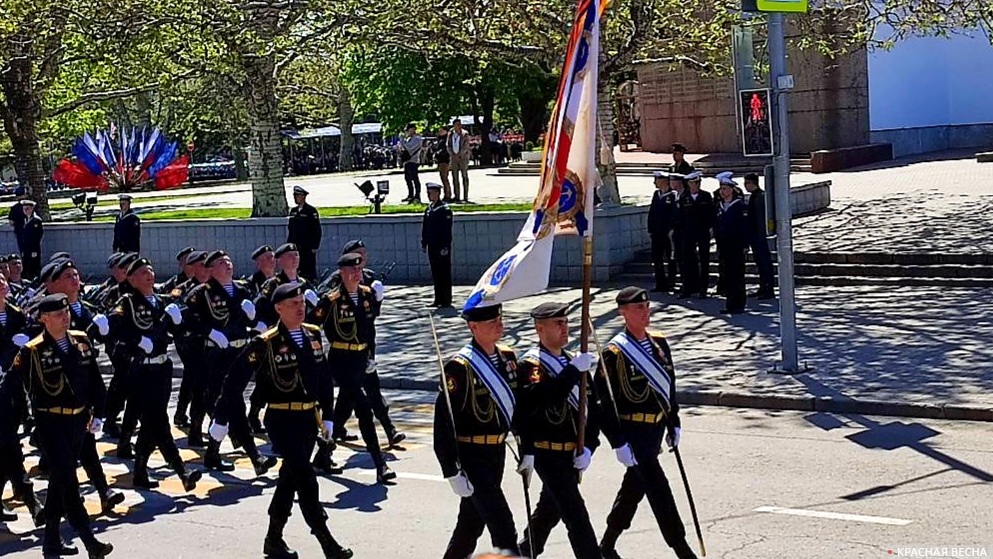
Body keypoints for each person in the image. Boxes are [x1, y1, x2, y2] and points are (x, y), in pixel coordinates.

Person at [211, 282, 354, 559]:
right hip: (281, 419)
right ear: (278, 308)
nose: (300, 308)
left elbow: (324, 379)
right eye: (293, 304)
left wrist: (329, 416)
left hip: (307, 420)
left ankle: (273, 540)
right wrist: (221, 418)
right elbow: (234, 380)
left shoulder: (313, 335)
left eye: (301, 303)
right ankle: (326, 541)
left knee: (289, 480)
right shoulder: (265, 342)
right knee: (306, 477)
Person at [0, 294, 114, 559]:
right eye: (59, 314)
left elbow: (95, 380)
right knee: (69, 483)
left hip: (78, 422)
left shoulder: (82, 341)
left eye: (66, 313)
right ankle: (90, 541)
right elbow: (11, 387)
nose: (66, 317)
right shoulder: (32, 350)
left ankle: (51, 542)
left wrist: (99, 412)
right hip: (50, 425)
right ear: (44, 319)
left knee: (58, 484)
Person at [595, 287, 698, 559]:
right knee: (657, 487)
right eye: (638, 308)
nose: (645, 312)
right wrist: (618, 442)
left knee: (634, 488)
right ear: (623, 313)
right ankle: (681, 548)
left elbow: (669, 383)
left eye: (646, 306)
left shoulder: (659, 343)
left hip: (655, 428)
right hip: (634, 431)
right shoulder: (614, 353)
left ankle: (607, 543)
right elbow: (602, 403)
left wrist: (673, 420)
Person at [434, 303, 524, 559]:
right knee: (503, 526)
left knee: (469, 527)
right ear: (473, 327)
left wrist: (526, 449)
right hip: (472, 454)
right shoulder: (460, 367)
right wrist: (451, 470)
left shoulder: (507, 358)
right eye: (490, 321)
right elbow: (444, 423)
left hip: (497, 452)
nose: (498, 324)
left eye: (499, 318)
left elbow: (518, 406)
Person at [106, 257, 202, 491]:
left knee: (153, 422)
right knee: (158, 420)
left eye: (150, 270)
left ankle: (140, 471)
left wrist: (178, 322)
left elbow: (177, 333)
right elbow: (114, 329)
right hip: (141, 369)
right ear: (131, 279)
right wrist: (138, 340)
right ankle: (182, 471)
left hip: (162, 368)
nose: (149, 274)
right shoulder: (127, 303)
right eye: (142, 272)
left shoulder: (162, 302)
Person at [516, 302, 601, 559]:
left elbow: (594, 408)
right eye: (558, 323)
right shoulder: (531, 366)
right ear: (540, 329)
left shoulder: (574, 362)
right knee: (576, 517)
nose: (565, 329)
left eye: (566, 322)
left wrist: (589, 446)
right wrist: (574, 371)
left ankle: (523, 553)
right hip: (546, 453)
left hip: (571, 454)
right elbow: (545, 398)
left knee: (548, 512)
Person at [308, 253, 396, 483]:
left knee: (341, 412)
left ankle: (322, 456)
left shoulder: (367, 296)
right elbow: (311, 325)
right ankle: (380, 464)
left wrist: (371, 356)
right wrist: (314, 354)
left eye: (359, 270)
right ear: (343, 273)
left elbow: (370, 330)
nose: (358, 274)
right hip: (341, 360)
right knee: (364, 409)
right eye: (353, 271)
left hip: (362, 359)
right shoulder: (332, 300)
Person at [187, 251, 276, 475]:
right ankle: (255, 457)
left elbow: (248, 321)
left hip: (241, 352)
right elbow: (189, 320)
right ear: (211, 270)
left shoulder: (242, 290)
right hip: (218, 356)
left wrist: (253, 317)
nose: (228, 265)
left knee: (231, 405)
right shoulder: (202, 293)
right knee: (233, 404)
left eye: (229, 261)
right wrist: (210, 333)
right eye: (221, 263)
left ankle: (213, 454)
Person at [320, 239, 401, 454]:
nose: (361, 261)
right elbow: (322, 307)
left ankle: (334, 432)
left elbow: (371, 312)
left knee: (353, 394)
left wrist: (379, 299)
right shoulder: (336, 282)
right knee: (365, 395)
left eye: (363, 255)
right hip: (343, 351)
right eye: (356, 256)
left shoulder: (370, 280)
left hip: (365, 343)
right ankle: (389, 430)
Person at [0, 273, 45, 529]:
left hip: (13, 393)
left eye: (2, 280)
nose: (2, 284)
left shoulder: (17, 314)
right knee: (10, 448)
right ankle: (31, 500)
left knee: (4, 449)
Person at [715, 175, 749, 314]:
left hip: (736, 246)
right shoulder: (720, 206)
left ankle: (739, 304)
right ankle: (730, 304)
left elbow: (746, 227)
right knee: (727, 275)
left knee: (737, 276)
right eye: (721, 189)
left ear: (732, 190)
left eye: (725, 189)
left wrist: (745, 245)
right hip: (724, 246)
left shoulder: (740, 206)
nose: (722, 192)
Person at [677, 171, 714, 299]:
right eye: (691, 183)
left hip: (703, 231)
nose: (694, 186)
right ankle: (688, 288)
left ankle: (703, 288)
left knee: (704, 260)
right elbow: (681, 217)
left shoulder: (706, 196)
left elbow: (711, 214)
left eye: (696, 183)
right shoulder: (684, 198)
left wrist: (711, 228)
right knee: (687, 261)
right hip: (688, 233)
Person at [743, 173, 775, 299]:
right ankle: (763, 288)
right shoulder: (754, 197)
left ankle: (769, 289)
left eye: (747, 183)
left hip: (759, 237)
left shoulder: (760, 197)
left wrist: (761, 236)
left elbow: (760, 219)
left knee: (765, 263)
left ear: (752, 183)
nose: (745, 186)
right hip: (754, 236)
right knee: (760, 263)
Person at [422, 183, 453, 308]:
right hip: (432, 246)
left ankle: (446, 299)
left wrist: (445, 246)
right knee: (435, 272)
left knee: (444, 272)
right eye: (428, 193)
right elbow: (425, 228)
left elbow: (447, 230)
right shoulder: (429, 209)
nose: (429, 196)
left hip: (442, 247)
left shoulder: (444, 209)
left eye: (431, 193)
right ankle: (438, 298)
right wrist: (424, 242)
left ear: (437, 193)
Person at [647, 171, 679, 293]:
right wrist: (650, 229)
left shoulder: (672, 195)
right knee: (657, 258)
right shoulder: (656, 194)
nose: (655, 182)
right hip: (656, 233)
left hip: (667, 233)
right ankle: (660, 283)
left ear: (663, 181)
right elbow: (652, 212)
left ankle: (671, 282)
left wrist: (672, 228)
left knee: (670, 258)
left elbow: (674, 214)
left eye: (657, 179)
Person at [287, 185, 322, 281]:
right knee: (297, 267)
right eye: (294, 196)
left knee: (309, 268)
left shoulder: (311, 211)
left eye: (297, 196)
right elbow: (291, 229)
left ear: (303, 196)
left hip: (307, 246)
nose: (295, 198)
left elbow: (316, 230)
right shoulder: (293, 211)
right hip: (296, 245)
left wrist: (315, 245)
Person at [398, 123, 424, 203]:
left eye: (408, 130)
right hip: (407, 161)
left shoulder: (417, 139)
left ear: (412, 129)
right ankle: (410, 195)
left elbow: (409, 148)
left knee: (415, 179)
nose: (407, 132)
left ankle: (417, 196)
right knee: (408, 179)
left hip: (413, 161)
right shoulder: (409, 139)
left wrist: (402, 141)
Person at [448, 118, 471, 202]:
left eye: (460, 124)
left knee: (464, 176)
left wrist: (459, 154)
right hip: (454, 158)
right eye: (457, 125)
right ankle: (457, 195)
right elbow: (448, 145)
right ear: (454, 126)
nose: (459, 126)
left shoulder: (465, 134)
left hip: (463, 158)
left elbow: (466, 146)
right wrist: (453, 155)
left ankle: (465, 196)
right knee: (455, 177)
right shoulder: (450, 134)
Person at [20, 199, 43, 280]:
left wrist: (34, 250)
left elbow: (37, 237)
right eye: (24, 209)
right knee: (26, 265)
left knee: (34, 265)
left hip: (33, 248)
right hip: (26, 248)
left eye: (27, 209)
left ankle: (36, 280)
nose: (25, 211)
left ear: (32, 208)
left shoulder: (36, 220)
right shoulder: (25, 219)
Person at [434, 126, 453, 201]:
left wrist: (438, 153)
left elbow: (446, 149)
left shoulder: (447, 139)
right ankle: (446, 194)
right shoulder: (440, 139)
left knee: (445, 178)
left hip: (445, 159)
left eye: (441, 130)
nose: (440, 132)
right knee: (443, 177)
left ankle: (448, 194)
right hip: (440, 160)